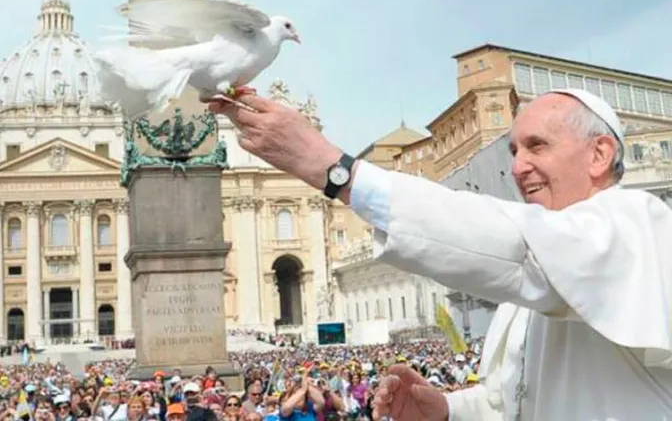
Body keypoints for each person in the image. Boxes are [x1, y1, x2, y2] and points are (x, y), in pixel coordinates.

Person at [209, 87, 672, 420]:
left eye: (537, 146)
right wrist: (448, 408)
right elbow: (509, 401)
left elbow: (517, 245)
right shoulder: (533, 287)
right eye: (513, 150)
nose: (517, 166)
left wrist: (338, 173)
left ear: (599, 154)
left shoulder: (640, 223)